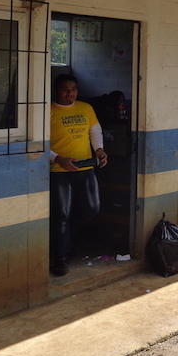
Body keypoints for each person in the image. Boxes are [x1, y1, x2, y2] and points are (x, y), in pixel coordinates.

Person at [49, 74, 109, 277]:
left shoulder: (86, 108)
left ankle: (65, 241)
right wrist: (57, 159)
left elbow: (95, 131)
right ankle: (59, 260)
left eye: (73, 89)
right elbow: (38, 143)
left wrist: (99, 150)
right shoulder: (47, 111)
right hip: (60, 172)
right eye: (66, 89)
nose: (70, 93)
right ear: (57, 90)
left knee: (91, 209)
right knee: (61, 216)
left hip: (85, 168)